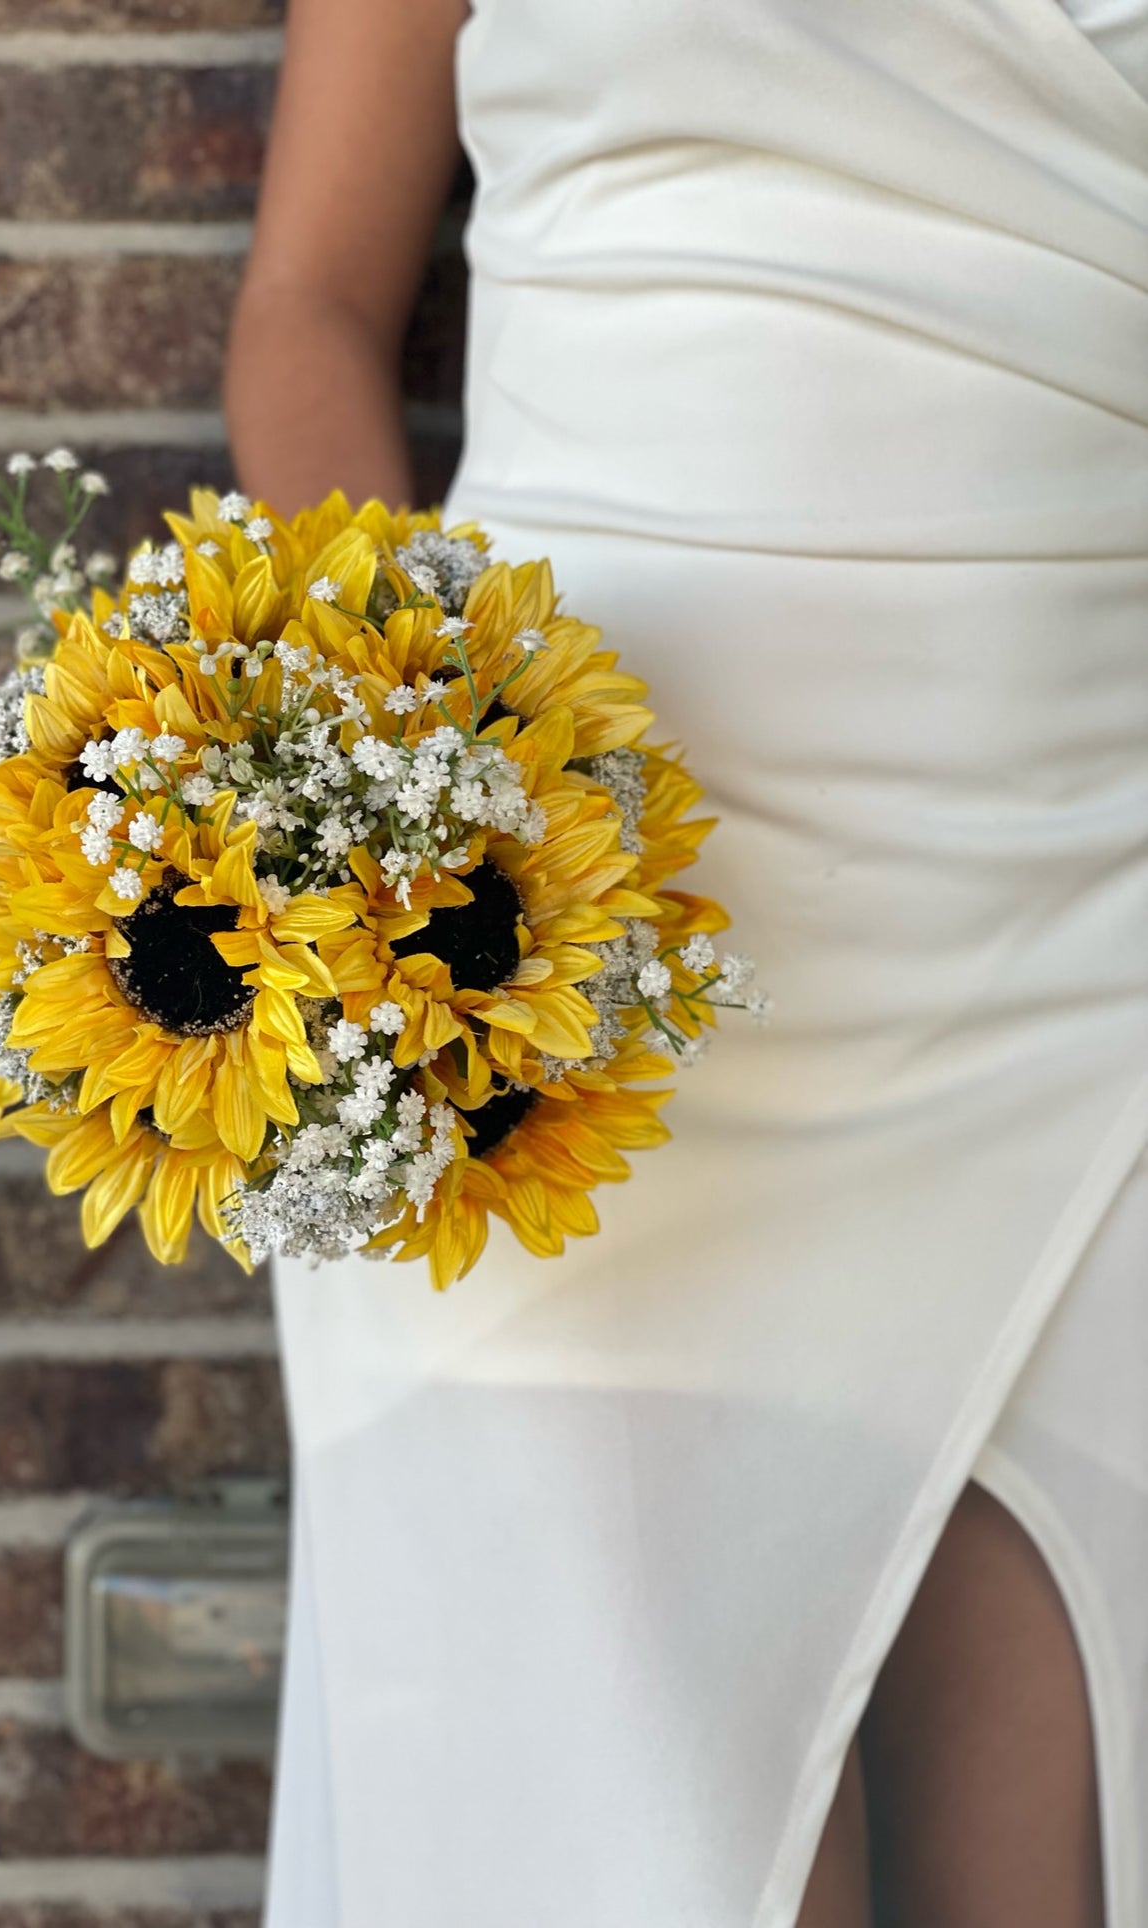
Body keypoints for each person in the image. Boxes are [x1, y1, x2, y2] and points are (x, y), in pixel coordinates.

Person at [224, 2, 1148, 1922]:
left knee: (1038, 1860)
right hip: (546, 938)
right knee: (625, 1846)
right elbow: (311, 301)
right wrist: (385, 805)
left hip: (1083, 932)